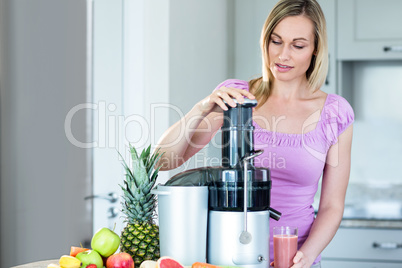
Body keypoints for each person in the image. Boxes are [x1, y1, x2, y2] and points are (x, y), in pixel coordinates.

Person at [155, 0, 354, 267]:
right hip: (230, 256)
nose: (283, 55)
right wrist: (200, 109)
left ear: (315, 49)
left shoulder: (335, 113)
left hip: (294, 259)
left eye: (298, 45)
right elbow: (161, 161)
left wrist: (304, 257)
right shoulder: (238, 97)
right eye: (276, 41)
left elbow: (332, 206)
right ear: (265, 41)